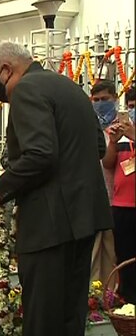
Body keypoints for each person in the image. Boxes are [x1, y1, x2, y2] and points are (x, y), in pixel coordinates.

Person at [0, 42, 113, 336]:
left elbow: (40, 154)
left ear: (7, 69)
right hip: (82, 219)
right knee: (70, 316)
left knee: (43, 318)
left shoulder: (27, 89)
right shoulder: (69, 87)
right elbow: (99, 147)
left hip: (48, 225)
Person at [102, 87, 136, 304]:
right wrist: (114, 142)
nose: (133, 111)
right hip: (121, 206)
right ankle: (128, 304)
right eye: (131, 107)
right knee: (124, 259)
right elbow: (107, 163)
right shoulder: (121, 133)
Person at [89, 79, 117, 288]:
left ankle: (113, 293)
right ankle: (96, 297)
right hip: (93, 198)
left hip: (119, 200)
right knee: (94, 255)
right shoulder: (88, 125)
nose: (100, 104)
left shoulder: (124, 126)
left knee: (113, 253)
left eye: (104, 99)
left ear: (115, 99)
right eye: (96, 100)